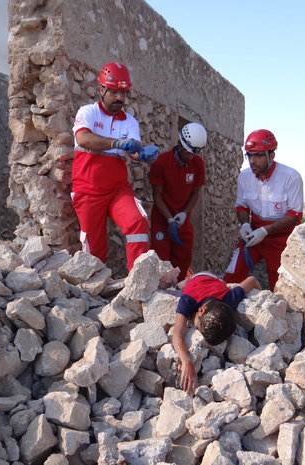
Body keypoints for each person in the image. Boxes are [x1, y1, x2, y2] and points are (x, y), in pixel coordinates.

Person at [71, 62, 159, 271]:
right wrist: (116, 143)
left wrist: (143, 154)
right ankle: (94, 296)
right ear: (102, 89)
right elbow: (83, 138)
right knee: (94, 251)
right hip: (88, 190)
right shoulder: (88, 112)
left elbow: (134, 150)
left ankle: (137, 281)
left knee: (138, 222)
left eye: (124, 93)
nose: (120, 98)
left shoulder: (129, 121)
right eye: (115, 92)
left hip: (117, 190)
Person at [223, 129, 303, 291]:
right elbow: (242, 206)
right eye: (249, 155)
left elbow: (295, 215)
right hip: (253, 233)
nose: (252, 161)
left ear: (271, 156)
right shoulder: (244, 177)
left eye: (258, 155)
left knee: (280, 283)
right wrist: (245, 225)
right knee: (231, 275)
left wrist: (265, 231)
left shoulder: (290, 177)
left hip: (282, 237)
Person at [173, 272, 261, 394]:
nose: (195, 326)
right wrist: (186, 361)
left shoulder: (229, 300)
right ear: (201, 310)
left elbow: (252, 280)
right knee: (175, 287)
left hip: (212, 284)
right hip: (201, 277)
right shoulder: (188, 299)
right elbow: (177, 334)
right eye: (197, 325)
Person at [149, 122, 207, 282]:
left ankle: (179, 292)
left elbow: (196, 193)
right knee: (161, 261)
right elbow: (157, 196)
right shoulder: (161, 162)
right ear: (180, 143)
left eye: (194, 154)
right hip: (162, 220)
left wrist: (184, 213)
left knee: (183, 260)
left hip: (182, 221)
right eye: (188, 152)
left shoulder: (197, 164)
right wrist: (169, 219)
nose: (190, 157)